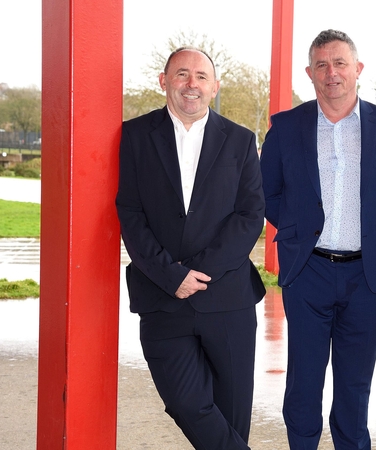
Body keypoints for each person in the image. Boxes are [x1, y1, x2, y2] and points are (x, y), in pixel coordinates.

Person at [259, 29, 376, 449]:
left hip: (367, 278)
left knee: (354, 387)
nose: (332, 73)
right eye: (322, 65)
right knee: (304, 384)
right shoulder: (286, 127)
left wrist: (375, 234)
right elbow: (268, 193)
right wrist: (296, 233)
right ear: (309, 73)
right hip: (307, 271)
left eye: (340, 63)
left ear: (358, 69)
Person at [116, 46, 265, 450]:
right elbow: (129, 212)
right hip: (162, 297)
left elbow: (250, 215)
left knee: (232, 413)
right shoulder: (134, 136)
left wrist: (199, 272)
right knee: (186, 404)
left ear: (214, 86)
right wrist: (171, 275)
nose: (191, 84)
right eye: (181, 74)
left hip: (227, 298)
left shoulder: (239, 140)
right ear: (164, 81)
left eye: (201, 76)